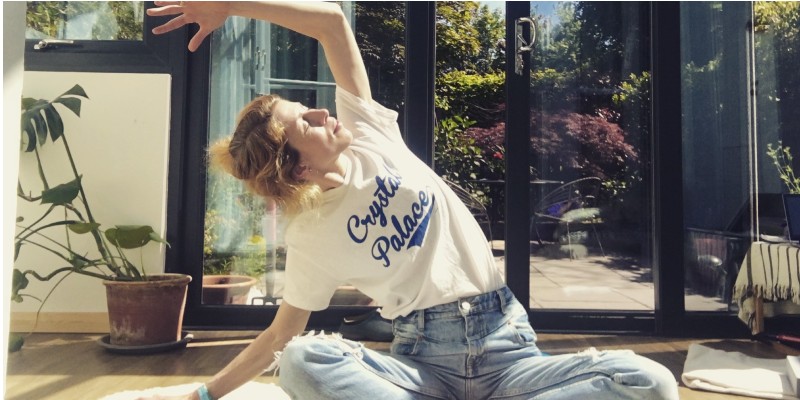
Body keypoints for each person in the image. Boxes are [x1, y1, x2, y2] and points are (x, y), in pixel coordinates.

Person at [144, 2, 680, 399]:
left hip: (508, 348)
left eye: (304, 106)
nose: (317, 112)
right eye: (300, 121)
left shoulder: (370, 132)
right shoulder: (309, 234)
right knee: (304, 360)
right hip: (422, 366)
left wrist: (232, 4)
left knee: (648, 381)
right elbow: (282, 333)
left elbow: (331, 21)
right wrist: (206, 394)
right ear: (299, 167)